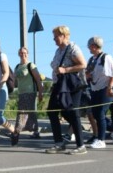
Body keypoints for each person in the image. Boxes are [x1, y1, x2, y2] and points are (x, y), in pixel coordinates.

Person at [45, 25, 87, 155]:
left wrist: (65, 69)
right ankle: (59, 143)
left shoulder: (72, 48)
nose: (54, 39)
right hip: (59, 85)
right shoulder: (58, 50)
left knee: (73, 113)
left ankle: (81, 145)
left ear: (64, 35)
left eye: (56, 36)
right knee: (52, 111)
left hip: (72, 86)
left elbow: (83, 64)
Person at [85, 36, 113, 149]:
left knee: (100, 113)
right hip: (94, 89)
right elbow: (88, 73)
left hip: (105, 89)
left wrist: (110, 88)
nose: (88, 48)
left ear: (94, 46)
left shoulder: (106, 57)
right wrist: (87, 75)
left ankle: (101, 139)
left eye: (89, 45)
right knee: (95, 113)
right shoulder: (91, 59)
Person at [11, 46, 43, 146]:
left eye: (24, 52)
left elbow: (38, 79)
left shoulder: (30, 65)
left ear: (27, 54)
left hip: (30, 92)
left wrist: (40, 93)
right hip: (21, 92)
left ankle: (21, 131)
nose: (23, 54)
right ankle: (26, 130)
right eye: (21, 53)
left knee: (27, 112)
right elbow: (14, 81)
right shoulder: (17, 67)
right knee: (25, 112)